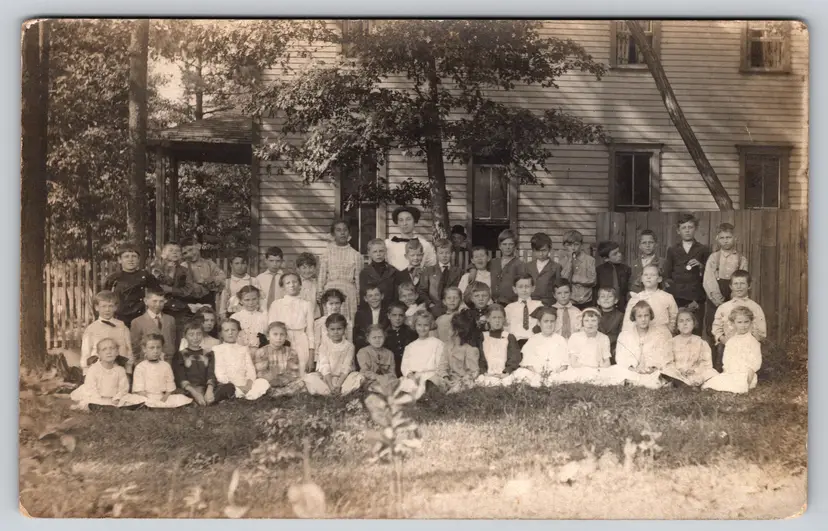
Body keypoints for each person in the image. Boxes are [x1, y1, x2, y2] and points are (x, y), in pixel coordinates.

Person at [663, 213, 710, 336]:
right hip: (677, 297)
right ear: (678, 231)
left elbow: (709, 275)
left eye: (690, 227)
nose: (687, 230)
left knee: (696, 329)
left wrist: (701, 266)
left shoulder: (703, 249)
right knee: (677, 329)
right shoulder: (672, 250)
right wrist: (673, 290)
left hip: (696, 296)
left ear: (695, 229)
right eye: (684, 228)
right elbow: (667, 274)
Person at [710, 270, 766, 372]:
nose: (739, 287)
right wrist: (725, 341)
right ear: (731, 286)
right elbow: (716, 328)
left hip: (748, 347)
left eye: (742, 283)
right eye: (736, 284)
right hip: (727, 345)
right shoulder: (723, 308)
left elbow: (761, 331)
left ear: (749, 286)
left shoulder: (755, 307)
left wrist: (749, 342)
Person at [69, 338, 146, 410]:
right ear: (99, 354)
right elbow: (91, 388)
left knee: (137, 399)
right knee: (88, 400)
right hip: (96, 396)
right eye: (104, 349)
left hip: (114, 398)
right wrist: (99, 399)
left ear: (117, 352)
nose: (108, 352)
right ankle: (99, 406)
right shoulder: (93, 369)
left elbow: (123, 388)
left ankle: (115, 406)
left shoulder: (120, 370)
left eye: (112, 348)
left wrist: (117, 398)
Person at [149, 242, 205, 337]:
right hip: (161, 308)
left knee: (179, 335)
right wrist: (170, 272)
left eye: (177, 251)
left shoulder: (185, 270)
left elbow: (188, 290)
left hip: (179, 309)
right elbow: (157, 287)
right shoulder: (157, 269)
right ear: (163, 254)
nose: (174, 253)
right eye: (171, 250)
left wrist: (171, 290)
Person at [703, 307, 762, 394]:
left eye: (746, 322)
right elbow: (727, 360)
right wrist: (726, 373)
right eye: (739, 322)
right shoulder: (731, 341)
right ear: (733, 324)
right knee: (715, 381)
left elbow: (755, 363)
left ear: (751, 323)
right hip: (731, 373)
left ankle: (738, 387)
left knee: (740, 384)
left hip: (747, 374)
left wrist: (748, 381)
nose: (743, 325)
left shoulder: (753, 342)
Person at [614, 301, 673, 389]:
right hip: (632, 370)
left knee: (666, 370)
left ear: (650, 316)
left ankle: (636, 382)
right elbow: (620, 357)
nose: (643, 319)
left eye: (646, 315)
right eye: (639, 316)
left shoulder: (659, 335)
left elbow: (663, 356)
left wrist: (652, 368)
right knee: (616, 370)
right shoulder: (624, 335)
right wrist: (633, 369)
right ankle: (644, 381)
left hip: (651, 371)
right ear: (634, 317)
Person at [704, 223, 748, 338]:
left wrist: (735, 297)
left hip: (734, 295)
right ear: (717, 239)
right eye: (722, 238)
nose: (725, 241)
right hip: (716, 297)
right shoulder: (714, 257)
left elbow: (743, 280)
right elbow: (708, 280)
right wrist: (718, 299)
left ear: (735, 238)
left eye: (728, 237)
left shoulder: (741, 259)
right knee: (714, 327)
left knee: (734, 324)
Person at [505, 306, 568, 388]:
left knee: (565, 375)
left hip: (556, 373)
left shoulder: (560, 339)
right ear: (538, 323)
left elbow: (565, 363)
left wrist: (555, 373)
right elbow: (528, 362)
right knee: (521, 373)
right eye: (546, 321)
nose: (549, 324)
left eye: (552, 321)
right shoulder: (533, 339)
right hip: (535, 373)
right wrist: (537, 374)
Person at [268, 272, 316, 374]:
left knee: (301, 371)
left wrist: (311, 357)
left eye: (295, 282)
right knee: (282, 372)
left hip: (301, 341)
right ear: (282, 287)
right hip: (282, 341)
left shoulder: (306, 304)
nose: (292, 285)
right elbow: (272, 328)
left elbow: (310, 331)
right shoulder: (276, 304)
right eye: (288, 283)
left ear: (300, 285)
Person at [303, 314, 362, 396]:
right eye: (332, 329)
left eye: (339, 329)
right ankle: (331, 391)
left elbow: (346, 366)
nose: (336, 332)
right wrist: (331, 386)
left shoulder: (349, 346)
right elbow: (324, 366)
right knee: (309, 377)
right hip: (327, 379)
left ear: (344, 329)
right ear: (327, 330)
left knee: (358, 376)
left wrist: (338, 385)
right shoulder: (324, 346)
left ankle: (338, 390)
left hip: (343, 379)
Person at [103, 244, 161, 327]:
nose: (130, 260)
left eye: (134, 256)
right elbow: (103, 299)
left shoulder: (145, 276)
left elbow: (157, 294)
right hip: (119, 317)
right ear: (120, 260)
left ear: (138, 259)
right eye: (126, 256)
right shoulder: (113, 278)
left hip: (141, 317)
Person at [212, 319, 270, 401]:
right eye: (226, 330)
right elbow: (219, 373)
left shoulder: (244, 349)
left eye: (233, 330)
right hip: (231, 385)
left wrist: (249, 384)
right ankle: (246, 395)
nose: (230, 333)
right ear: (221, 334)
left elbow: (250, 369)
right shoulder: (217, 349)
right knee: (227, 388)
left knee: (263, 382)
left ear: (238, 332)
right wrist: (238, 387)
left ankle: (246, 394)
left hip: (245, 383)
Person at [132, 334, 193, 408]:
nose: (155, 351)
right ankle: (150, 404)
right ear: (144, 349)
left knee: (180, 398)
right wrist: (147, 398)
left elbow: (170, 384)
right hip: (145, 396)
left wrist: (165, 396)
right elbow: (139, 389)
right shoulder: (140, 367)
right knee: (136, 399)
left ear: (162, 348)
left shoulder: (166, 366)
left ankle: (157, 404)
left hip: (162, 396)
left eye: (158, 347)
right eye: (152, 348)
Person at [318, 220, 363, 320]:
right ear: (333, 234)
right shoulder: (327, 253)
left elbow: (358, 280)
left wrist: (358, 298)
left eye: (345, 230)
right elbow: (321, 276)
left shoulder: (356, 255)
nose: (342, 233)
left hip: (349, 294)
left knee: (347, 322)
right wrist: (320, 294)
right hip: (330, 294)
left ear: (349, 233)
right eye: (338, 230)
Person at [80, 291, 133, 375]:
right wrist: (86, 375)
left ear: (115, 307)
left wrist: (128, 372)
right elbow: (85, 355)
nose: (107, 310)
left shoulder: (122, 327)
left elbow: (129, 351)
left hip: (119, 372)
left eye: (110, 306)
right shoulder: (91, 329)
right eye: (103, 306)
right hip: (98, 372)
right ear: (97, 307)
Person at [621, 264, 678, 336]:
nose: (648, 277)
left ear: (659, 279)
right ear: (641, 279)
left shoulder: (667, 297)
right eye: (645, 275)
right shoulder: (635, 298)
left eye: (653, 275)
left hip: (661, 336)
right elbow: (628, 322)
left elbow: (674, 318)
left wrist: (668, 332)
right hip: (641, 336)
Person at [253, 321, 305, 397]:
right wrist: (273, 381)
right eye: (275, 334)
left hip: (285, 382)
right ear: (268, 336)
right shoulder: (261, 352)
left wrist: (282, 381)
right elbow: (261, 372)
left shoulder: (291, 352)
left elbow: (292, 372)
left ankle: (277, 393)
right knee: (260, 383)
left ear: (286, 337)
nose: (279, 338)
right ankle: (282, 392)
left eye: (282, 334)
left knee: (301, 382)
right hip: (269, 382)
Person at [171, 320, 217, 406]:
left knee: (228, 387)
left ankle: (205, 398)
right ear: (185, 336)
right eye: (191, 334)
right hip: (188, 389)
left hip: (205, 387)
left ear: (203, 335)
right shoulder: (180, 354)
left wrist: (209, 390)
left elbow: (211, 374)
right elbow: (180, 377)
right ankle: (199, 400)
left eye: (199, 334)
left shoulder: (208, 353)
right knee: (176, 392)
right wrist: (195, 393)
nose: (195, 338)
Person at [668, 309, 718, 387]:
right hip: (678, 373)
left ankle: (693, 382)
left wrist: (695, 370)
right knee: (667, 371)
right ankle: (681, 382)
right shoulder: (672, 342)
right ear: (677, 326)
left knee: (711, 372)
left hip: (695, 372)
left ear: (694, 324)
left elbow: (706, 362)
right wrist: (678, 370)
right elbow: (668, 361)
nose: (685, 323)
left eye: (688, 320)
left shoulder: (701, 342)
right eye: (681, 321)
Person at [400, 310, 446, 394]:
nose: (422, 328)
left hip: (431, 376)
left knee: (431, 384)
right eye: (419, 325)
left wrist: (435, 377)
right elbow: (405, 366)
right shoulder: (410, 347)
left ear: (430, 325)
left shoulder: (438, 344)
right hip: (415, 377)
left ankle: (425, 391)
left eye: (426, 325)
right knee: (404, 384)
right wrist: (412, 377)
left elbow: (440, 365)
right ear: (414, 325)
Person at [475, 304, 521, 387]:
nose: (497, 321)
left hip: (505, 373)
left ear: (504, 319)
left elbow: (514, 357)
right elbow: (480, 357)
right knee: (483, 381)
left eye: (500, 318)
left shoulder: (509, 337)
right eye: (494, 318)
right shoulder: (483, 336)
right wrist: (484, 371)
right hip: (487, 373)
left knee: (513, 379)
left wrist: (507, 371)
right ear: (488, 319)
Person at [436, 311, 481, 393]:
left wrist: (462, 380)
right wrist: (446, 378)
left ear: (456, 331)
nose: (447, 330)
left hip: (463, 380)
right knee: (436, 379)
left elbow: (474, 371)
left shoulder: (470, 349)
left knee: (465, 385)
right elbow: (443, 365)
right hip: (450, 379)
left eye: (450, 328)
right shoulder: (447, 346)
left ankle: (455, 390)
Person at [130, 287, 176, 363]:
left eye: (161, 301)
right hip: (147, 363)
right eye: (154, 301)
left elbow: (173, 341)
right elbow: (135, 348)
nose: (158, 304)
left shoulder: (170, 320)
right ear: (146, 301)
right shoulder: (137, 322)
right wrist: (139, 364)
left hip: (168, 362)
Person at [180, 236, 226, 309]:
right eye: (185, 253)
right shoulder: (183, 266)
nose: (189, 254)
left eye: (191, 250)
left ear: (198, 246)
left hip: (208, 300)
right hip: (189, 301)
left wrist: (209, 280)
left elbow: (222, 277)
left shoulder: (209, 264)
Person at [385, 206, 436, 270]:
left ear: (415, 221)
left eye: (408, 219)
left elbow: (433, 267)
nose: (404, 223)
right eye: (401, 220)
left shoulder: (425, 244)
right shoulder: (388, 244)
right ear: (397, 223)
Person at [423, 239, 464, 317]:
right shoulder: (429, 271)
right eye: (441, 253)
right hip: (434, 308)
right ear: (436, 253)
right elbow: (422, 291)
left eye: (447, 253)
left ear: (451, 253)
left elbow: (461, 291)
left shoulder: (459, 272)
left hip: (453, 308)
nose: (444, 255)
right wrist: (430, 304)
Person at [559, 230, 597, 311]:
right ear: (564, 246)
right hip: (569, 300)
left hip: (586, 299)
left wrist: (575, 279)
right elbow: (564, 280)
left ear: (581, 245)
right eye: (569, 245)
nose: (573, 248)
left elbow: (593, 280)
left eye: (576, 244)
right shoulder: (562, 261)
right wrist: (570, 261)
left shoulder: (590, 260)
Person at [356, 325, 398, 393]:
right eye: (374, 337)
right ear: (368, 339)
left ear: (384, 337)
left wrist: (385, 379)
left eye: (380, 337)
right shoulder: (363, 352)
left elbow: (393, 373)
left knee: (396, 382)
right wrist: (378, 378)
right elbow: (365, 371)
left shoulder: (389, 353)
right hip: (369, 380)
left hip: (386, 380)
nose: (377, 340)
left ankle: (384, 391)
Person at [505, 273, 543, 349]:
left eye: (527, 286)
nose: (524, 290)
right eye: (520, 287)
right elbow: (505, 328)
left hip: (534, 342)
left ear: (533, 288)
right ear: (514, 289)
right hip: (515, 343)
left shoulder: (539, 305)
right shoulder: (509, 308)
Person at [218, 251, 261, 317]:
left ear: (247, 264)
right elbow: (223, 304)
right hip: (232, 315)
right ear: (231, 264)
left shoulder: (253, 281)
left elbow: (260, 300)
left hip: (251, 315)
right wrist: (223, 316)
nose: (240, 266)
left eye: (243, 263)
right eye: (237, 263)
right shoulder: (228, 282)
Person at [489, 229, 525, 306]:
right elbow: (479, 265)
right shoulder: (493, 262)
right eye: (504, 244)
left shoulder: (519, 264)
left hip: (511, 303)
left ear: (515, 246)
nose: (507, 247)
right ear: (500, 246)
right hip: (493, 303)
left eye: (510, 244)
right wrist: (472, 269)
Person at [229, 285, 269, 354]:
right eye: (247, 300)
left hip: (260, 353)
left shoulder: (264, 317)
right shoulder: (235, 317)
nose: (251, 303)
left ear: (258, 299)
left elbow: (267, 337)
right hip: (239, 352)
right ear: (241, 301)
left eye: (254, 299)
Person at [359, 239, 399, 305]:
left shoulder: (393, 271)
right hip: (372, 307)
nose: (378, 254)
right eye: (375, 252)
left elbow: (396, 295)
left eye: (381, 251)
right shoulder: (364, 273)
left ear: (385, 251)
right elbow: (363, 296)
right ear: (369, 253)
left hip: (390, 307)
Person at [383, 301, 418, 377]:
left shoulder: (412, 333)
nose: (397, 318)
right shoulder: (384, 335)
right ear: (389, 316)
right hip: (392, 372)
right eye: (394, 315)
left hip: (410, 370)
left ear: (405, 316)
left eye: (401, 315)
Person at [595, 241, 632, 311]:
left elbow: (628, 288)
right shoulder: (599, 270)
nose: (619, 255)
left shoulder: (626, 269)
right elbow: (596, 290)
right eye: (615, 254)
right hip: (605, 306)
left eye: (619, 252)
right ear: (606, 259)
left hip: (623, 306)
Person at [527, 232, 561, 306]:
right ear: (533, 250)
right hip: (531, 302)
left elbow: (558, 288)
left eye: (544, 250)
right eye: (537, 250)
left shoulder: (556, 267)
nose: (541, 254)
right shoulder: (528, 266)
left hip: (549, 304)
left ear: (549, 249)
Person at [459, 281, 492, 355]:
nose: (481, 299)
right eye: (476, 296)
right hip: (472, 348)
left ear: (489, 297)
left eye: (484, 295)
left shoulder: (492, 311)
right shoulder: (466, 314)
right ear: (471, 298)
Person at [353, 285, 388, 353]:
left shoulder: (387, 312)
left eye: (377, 295)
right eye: (370, 296)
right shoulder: (360, 314)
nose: (374, 298)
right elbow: (357, 335)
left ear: (382, 296)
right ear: (365, 299)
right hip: (366, 348)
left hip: (384, 347)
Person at [395, 239, 431, 306]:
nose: (416, 258)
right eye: (412, 255)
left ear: (423, 255)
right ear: (406, 256)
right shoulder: (399, 275)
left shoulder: (429, 273)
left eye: (419, 255)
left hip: (426, 308)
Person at [629, 230, 664, 296]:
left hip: (655, 297)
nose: (647, 245)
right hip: (637, 297)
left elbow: (664, 284)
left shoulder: (662, 262)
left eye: (651, 242)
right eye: (644, 243)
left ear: (656, 244)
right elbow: (631, 284)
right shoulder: (634, 263)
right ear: (640, 246)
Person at [596, 287, 624, 363]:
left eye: (610, 296)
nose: (606, 299)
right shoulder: (594, 315)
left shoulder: (621, 316)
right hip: (596, 349)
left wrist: (616, 349)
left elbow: (622, 336)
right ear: (598, 301)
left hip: (614, 350)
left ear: (616, 300)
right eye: (603, 296)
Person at [256, 246, 285, 314]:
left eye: (278, 261)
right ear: (266, 261)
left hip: (281, 312)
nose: (274, 264)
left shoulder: (285, 278)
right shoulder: (259, 278)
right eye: (271, 261)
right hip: (263, 313)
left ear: (281, 261)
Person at [296, 252, 322, 319]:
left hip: (314, 317)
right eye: (304, 268)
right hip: (298, 317)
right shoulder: (295, 283)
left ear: (315, 268)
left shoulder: (317, 283)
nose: (307, 271)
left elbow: (319, 300)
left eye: (310, 267)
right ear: (298, 269)